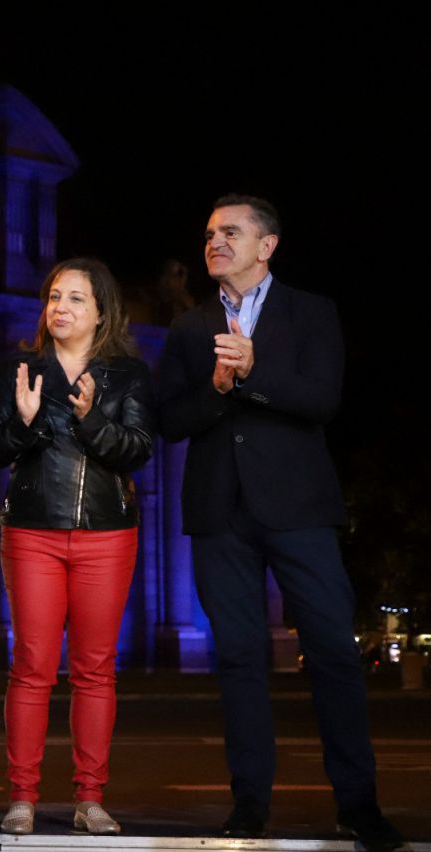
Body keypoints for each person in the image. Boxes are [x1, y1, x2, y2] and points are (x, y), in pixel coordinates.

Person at [158, 196, 404, 851]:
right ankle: (249, 805)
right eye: (209, 233)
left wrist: (252, 373)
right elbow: (168, 420)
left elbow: (322, 400)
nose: (215, 242)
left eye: (230, 232)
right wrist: (216, 388)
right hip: (219, 513)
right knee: (239, 660)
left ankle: (359, 805)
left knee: (332, 654)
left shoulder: (311, 312)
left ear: (267, 246)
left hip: (299, 510)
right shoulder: (189, 327)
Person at [0, 258, 154, 835]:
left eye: (76, 298)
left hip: (107, 534)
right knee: (32, 666)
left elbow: (137, 448)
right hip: (32, 532)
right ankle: (22, 798)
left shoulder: (127, 374)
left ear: (101, 312)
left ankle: (90, 798)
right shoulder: (20, 370)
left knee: (95, 669)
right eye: (55, 296)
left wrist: (91, 420)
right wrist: (25, 422)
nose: (61, 308)